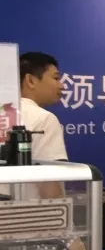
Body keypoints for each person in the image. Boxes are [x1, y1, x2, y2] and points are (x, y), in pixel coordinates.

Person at [16, 52, 68, 199]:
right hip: (30, 211)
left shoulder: (5, 114)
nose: (62, 86)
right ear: (30, 80)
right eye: (55, 78)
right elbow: (49, 187)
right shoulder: (44, 119)